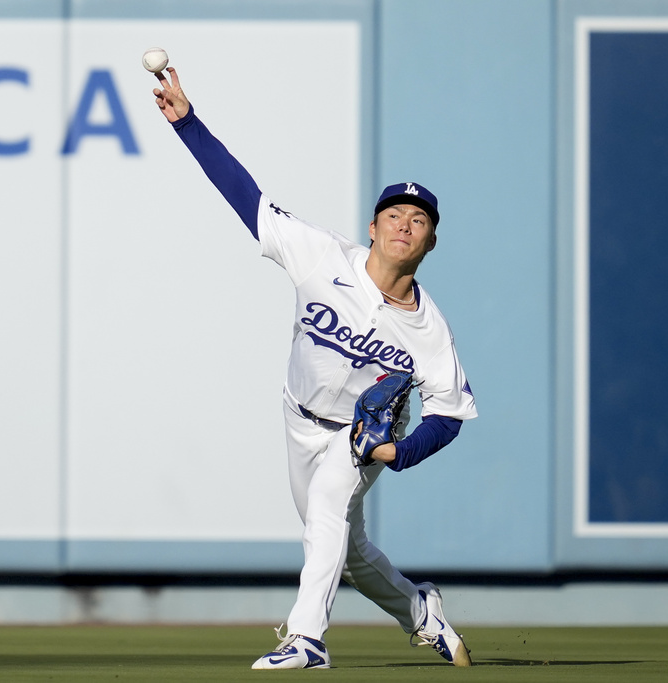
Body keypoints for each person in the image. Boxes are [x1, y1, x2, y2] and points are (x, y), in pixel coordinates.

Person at [151, 65, 478, 669]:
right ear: (373, 227)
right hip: (296, 417)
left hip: (356, 439)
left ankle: (306, 639)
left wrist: (395, 453)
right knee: (346, 550)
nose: (405, 224)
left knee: (328, 510)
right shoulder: (322, 254)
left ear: (430, 241)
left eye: (420, 219)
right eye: (395, 215)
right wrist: (188, 124)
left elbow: (450, 414)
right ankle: (421, 612)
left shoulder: (430, 329)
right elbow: (244, 196)